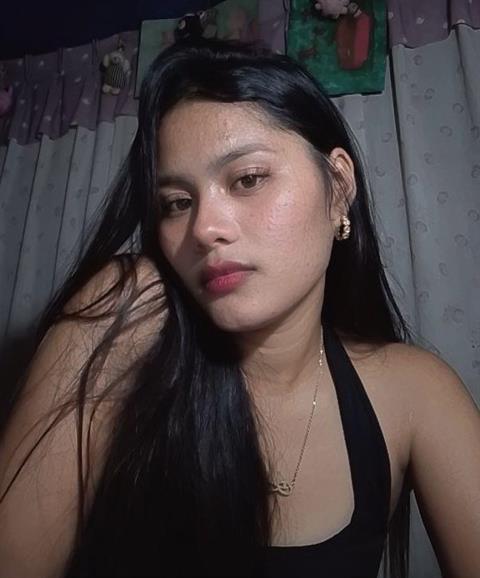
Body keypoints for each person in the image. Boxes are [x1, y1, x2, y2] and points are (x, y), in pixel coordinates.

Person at [0, 38, 479, 578]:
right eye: (177, 203)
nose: (203, 229)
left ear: (338, 186)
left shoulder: (413, 392)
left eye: (248, 179)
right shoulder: (127, 310)